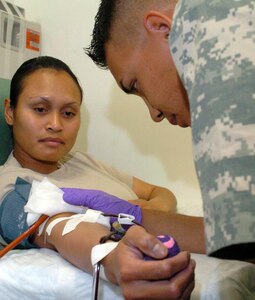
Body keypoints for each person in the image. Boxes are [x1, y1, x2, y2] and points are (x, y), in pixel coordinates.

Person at [0, 56, 205, 299]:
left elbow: (159, 192)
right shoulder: (11, 183)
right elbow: (52, 224)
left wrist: (147, 210)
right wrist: (111, 257)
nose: (55, 124)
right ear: (10, 112)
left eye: (68, 113)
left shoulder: (84, 162)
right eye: (40, 109)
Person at [85, 0, 255, 262]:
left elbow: (243, 242)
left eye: (135, 84)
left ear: (163, 29)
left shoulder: (217, 36)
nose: (154, 113)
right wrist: (139, 218)